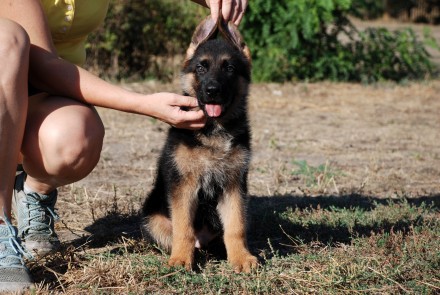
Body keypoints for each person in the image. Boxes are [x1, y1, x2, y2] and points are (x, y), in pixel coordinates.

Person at [0, 0, 248, 291]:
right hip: (15, 75)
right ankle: (1, 229)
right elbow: (43, 66)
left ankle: (34, 193)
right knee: (7, 38)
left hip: (42, 97)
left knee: (74, 138)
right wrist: (142, 103)